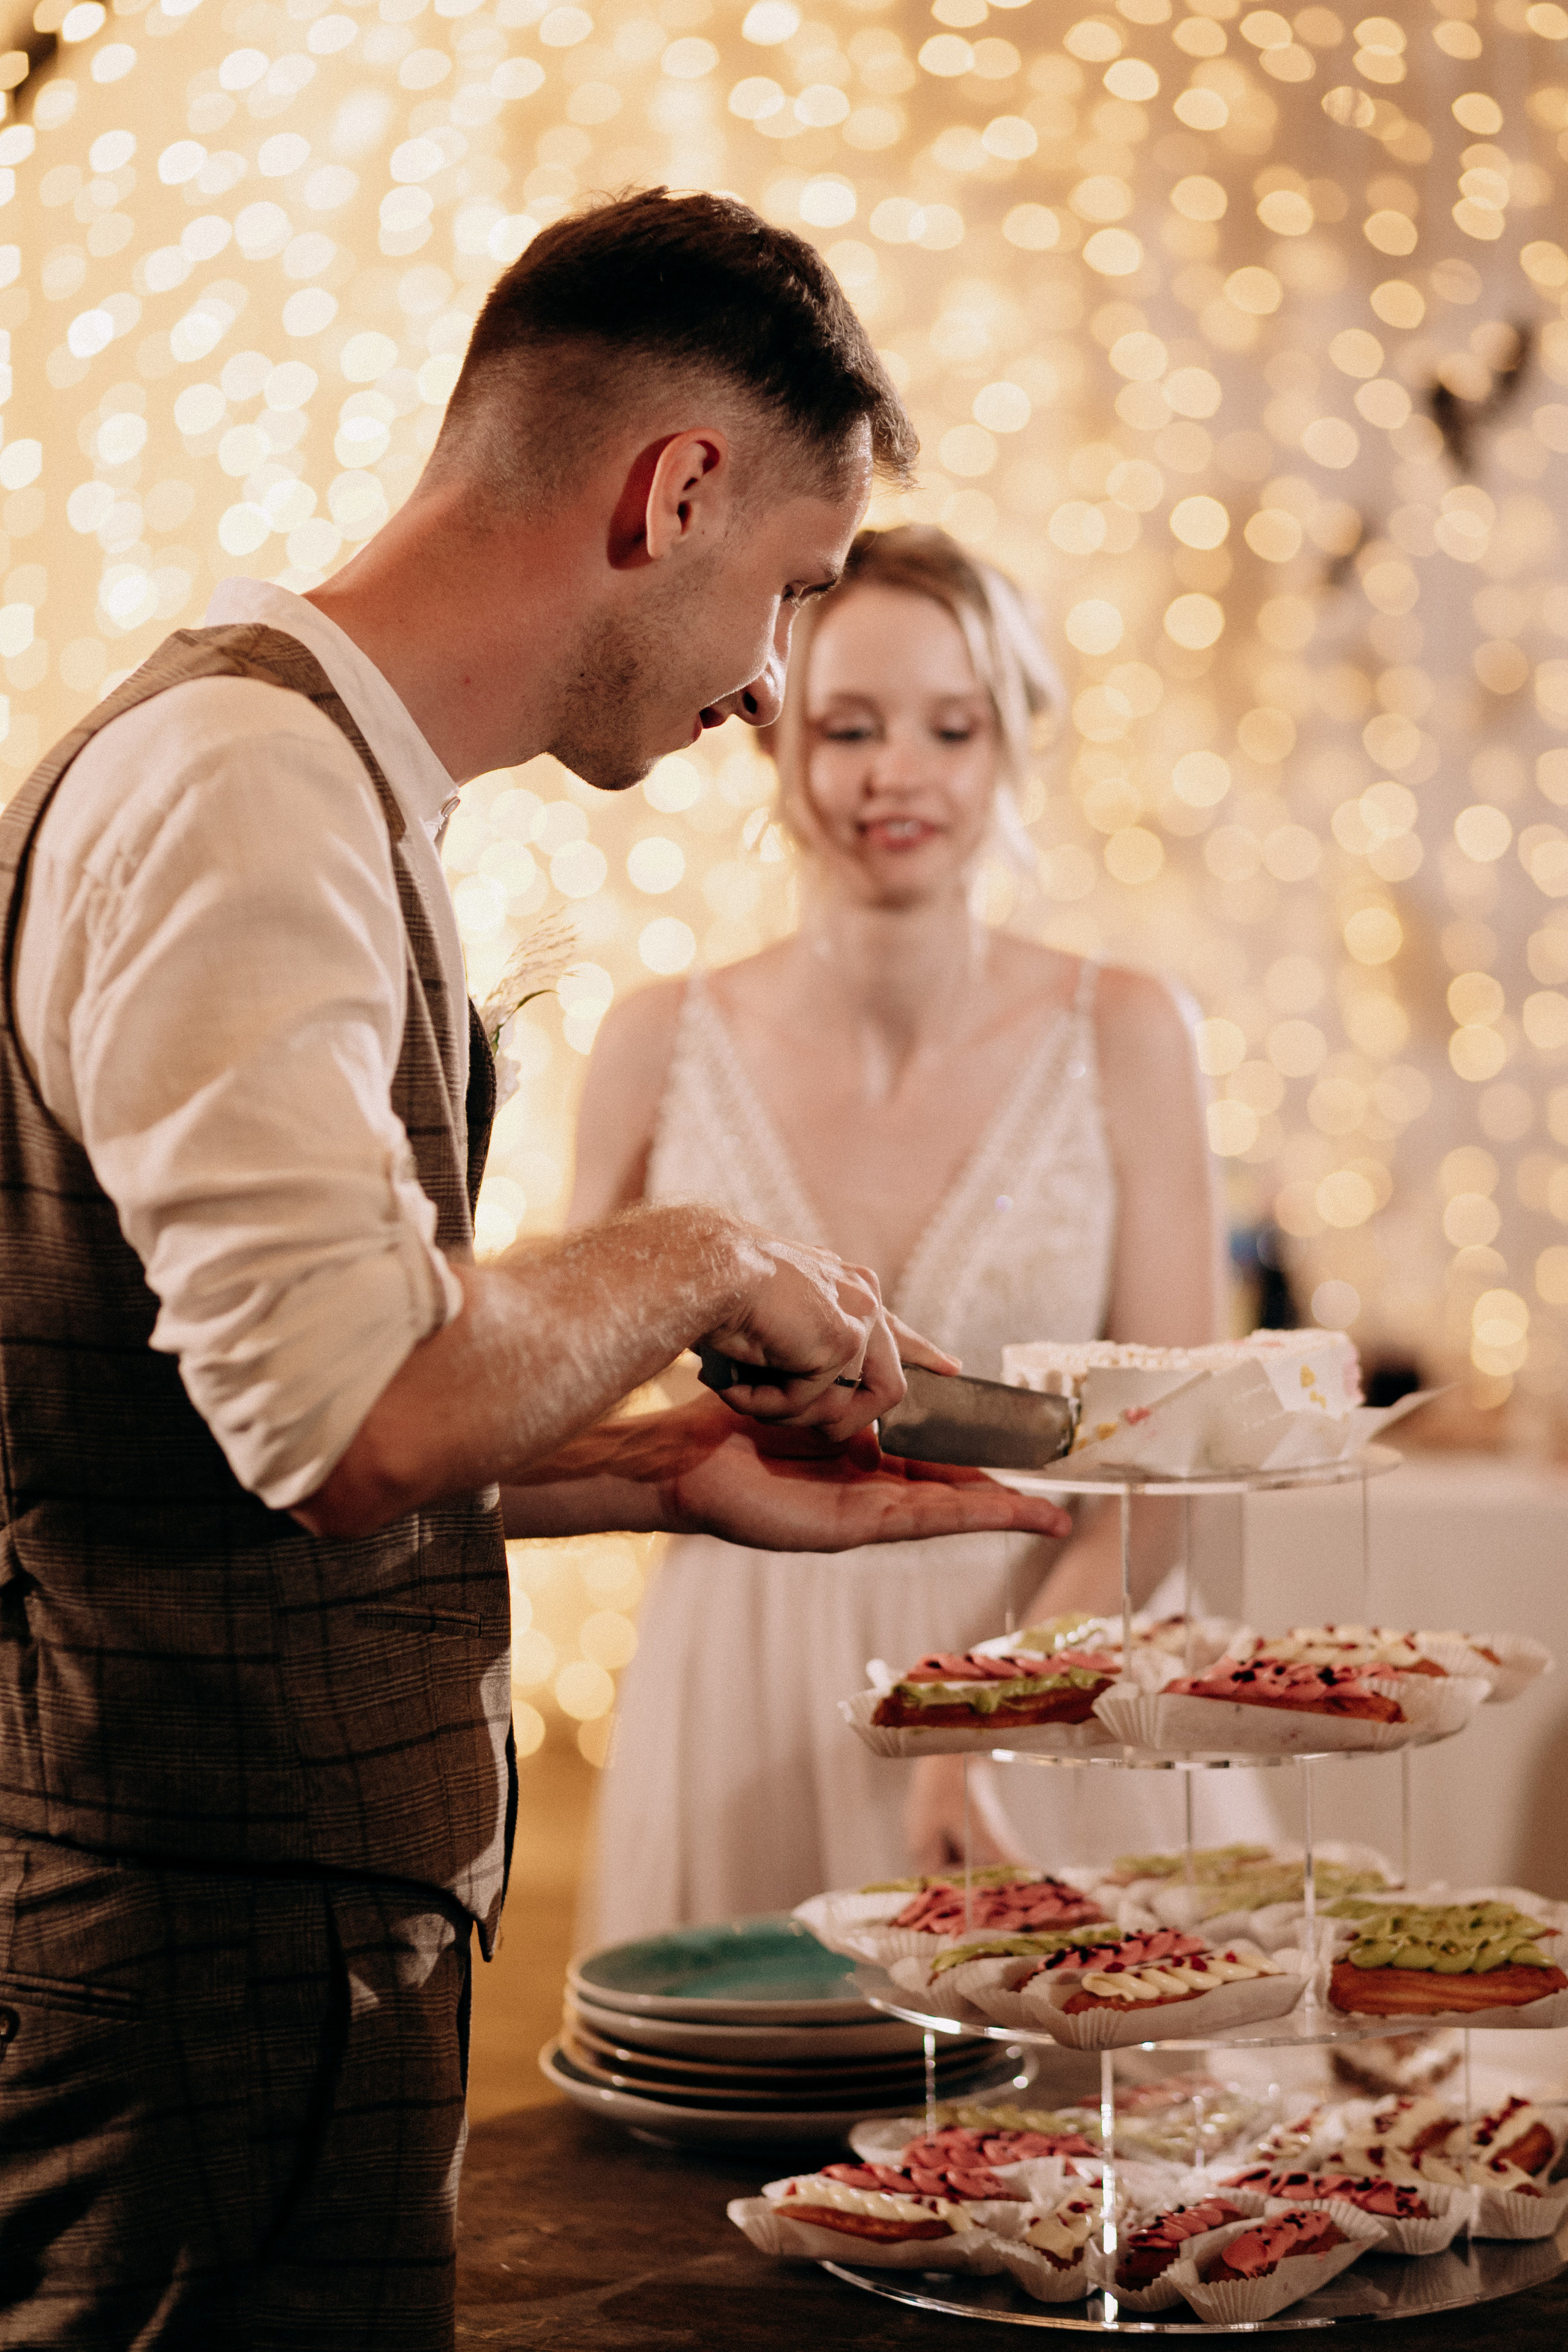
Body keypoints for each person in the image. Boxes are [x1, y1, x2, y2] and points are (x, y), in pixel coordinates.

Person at [0, 195, 1074, 2348]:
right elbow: (352, 1419)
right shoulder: (246, 792)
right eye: (789, 587)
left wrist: (655, 1468)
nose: (766, 679)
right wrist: (706, 1254)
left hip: (259, 1943)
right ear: (672, 492)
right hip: (202, 1955)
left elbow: (234, 1416)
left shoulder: (303, 782)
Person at [574, 524, 1280, 1945]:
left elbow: (1167, 1464)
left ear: (1007, 742)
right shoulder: (652, 1040)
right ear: (776, 739)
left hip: (1052, 1655)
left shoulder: (1129, 1031)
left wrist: (994, 1715)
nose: (897, 771)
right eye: (849, 727)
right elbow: (554, 1387)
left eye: (949, 728)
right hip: (744, 1660)